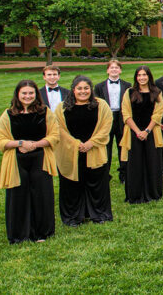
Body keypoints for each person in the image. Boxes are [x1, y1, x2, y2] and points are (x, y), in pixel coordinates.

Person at [0, 80, 59, 244]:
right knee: (18, 195)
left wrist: (35, 145)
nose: (27, 96)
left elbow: (54, 135)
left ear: (36, 95)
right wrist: (20, 144)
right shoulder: (8, 114)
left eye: (31, 93)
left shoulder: (45, 112)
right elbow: (1, 139)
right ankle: (19, 233)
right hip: (16, 159)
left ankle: (42, 232)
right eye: (24, 93)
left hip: (41, 158)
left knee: (41, 194)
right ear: (17, 95)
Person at [53, 75, 114, 226]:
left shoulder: (101, 105)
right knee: (72, 185)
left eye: (86, 88)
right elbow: (59, 129)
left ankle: (99, 214)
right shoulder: (62, 108)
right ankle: (73, 216)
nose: (83, 91)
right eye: (79, 88)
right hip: (71, 152)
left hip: (94, 150)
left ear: (91, 90)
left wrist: (91, 143)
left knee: (97, 185)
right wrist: (76, 144)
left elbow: (106, 126)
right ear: (73, 90)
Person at [121, 66, 163, 203]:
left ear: (149, 76)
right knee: (135, 163)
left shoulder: (157, 92)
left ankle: (153, 192)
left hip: (151, 133)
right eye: (139, 75)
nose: (142, 78)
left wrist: (146, 131)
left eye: (144, 75)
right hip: (134, 133)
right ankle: (135, 193)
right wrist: (138, 131)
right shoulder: (129, 93)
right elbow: (126, 114)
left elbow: (158, 114)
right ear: (136, 77)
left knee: (152, 162)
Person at [94, 60, 131, 183]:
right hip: (107, 119)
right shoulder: (99, 87)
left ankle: (124, 174)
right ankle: (105, 174)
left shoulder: (127, 85)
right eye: (111, 68)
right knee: (106, 149)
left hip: (122, 118)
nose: (114, 70)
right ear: (107, 70)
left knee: (123, 147)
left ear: (120, 70)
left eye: (116, 68)